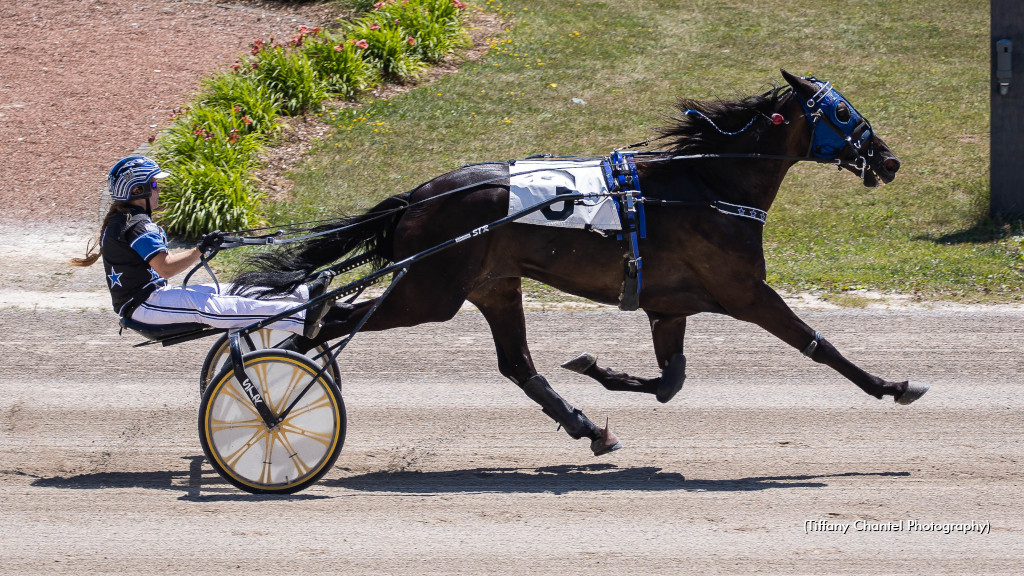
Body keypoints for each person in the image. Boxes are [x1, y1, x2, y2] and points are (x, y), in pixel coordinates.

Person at [71, 155, 332, 338]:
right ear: (137, 189)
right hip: (144, 306)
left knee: (228, 290)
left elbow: (160, 262)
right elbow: (165, 268)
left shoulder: (127, 221)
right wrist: (199, 251)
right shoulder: (136, 223)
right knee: (211, 307)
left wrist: (203, 247)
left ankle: (302, 294)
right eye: (154, 184)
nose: (158, 190)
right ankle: (298, 314)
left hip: (153, 299)